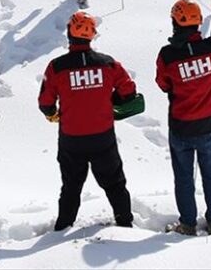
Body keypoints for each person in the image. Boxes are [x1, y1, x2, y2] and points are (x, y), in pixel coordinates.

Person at [38, 12, 139, 231]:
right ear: (91, 35)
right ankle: (125, 224)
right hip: (102, 136)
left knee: (71, 187)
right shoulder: (108, 64)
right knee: (115, 184)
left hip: (71, 139)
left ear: (69, 33)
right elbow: (129, 91)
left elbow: (45, 102)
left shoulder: (57, 67)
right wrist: (110, 99)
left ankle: (62, 228)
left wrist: (52, 113)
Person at [156, 0, 211, 236]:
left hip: (181, 126)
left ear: (175, 24)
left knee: (183, 178)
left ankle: (188, 224)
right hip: (209, 125)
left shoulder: (168, 56)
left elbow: (163, 84)